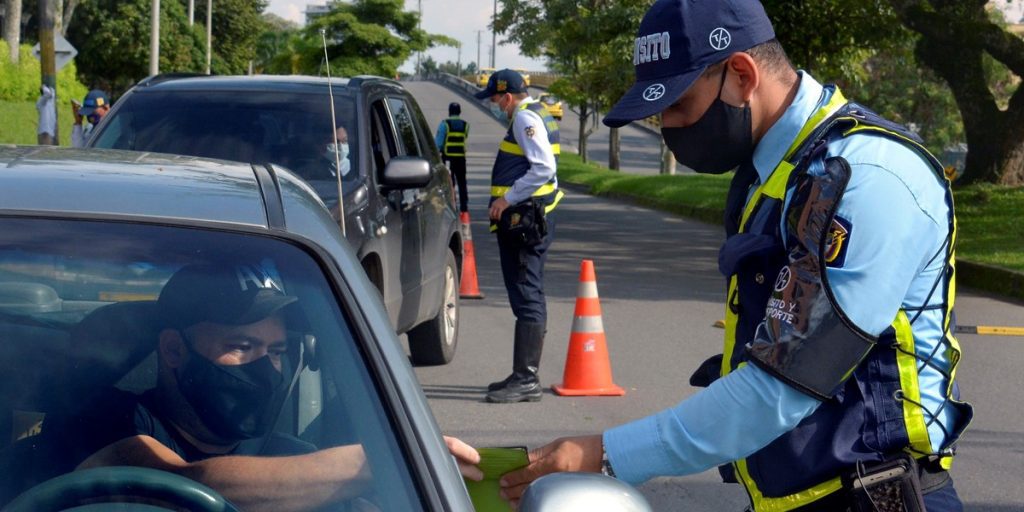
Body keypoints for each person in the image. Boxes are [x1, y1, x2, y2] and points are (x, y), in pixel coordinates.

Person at [498, 1, 972, 510]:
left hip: (874, 498)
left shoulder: (868, 178)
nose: (667, 126)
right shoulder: (774, 171)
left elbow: (783, 385)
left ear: (742, 74)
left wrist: (604, 453)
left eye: (678, 105)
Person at [52, 262, 481, 511]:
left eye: (275, 351)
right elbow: (179, 481)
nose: (265, 368)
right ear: (173, 350)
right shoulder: (112, 420)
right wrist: (383, 460)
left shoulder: (297, 462)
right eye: (241, 346)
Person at [474, 69, 563, 404]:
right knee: (527, 293)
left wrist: (506, 198)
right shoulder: (539, 112)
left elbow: (543, 168)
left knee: (527, 294)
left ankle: (527, 379)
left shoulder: (525, 119)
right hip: (532, 217)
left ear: (507, 96)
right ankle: (522, 373)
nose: (495, 105)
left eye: (495, 99)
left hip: (525, 219)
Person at [435, 102, 470, 213]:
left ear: (449, 112)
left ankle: (452, 205)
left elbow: (439, 143)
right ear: (459, 112)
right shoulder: (466, 125)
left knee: (450, 182)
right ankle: (464, 206)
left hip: (448, 159)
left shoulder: (444, 124)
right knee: (462, 182)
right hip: (461, 159)